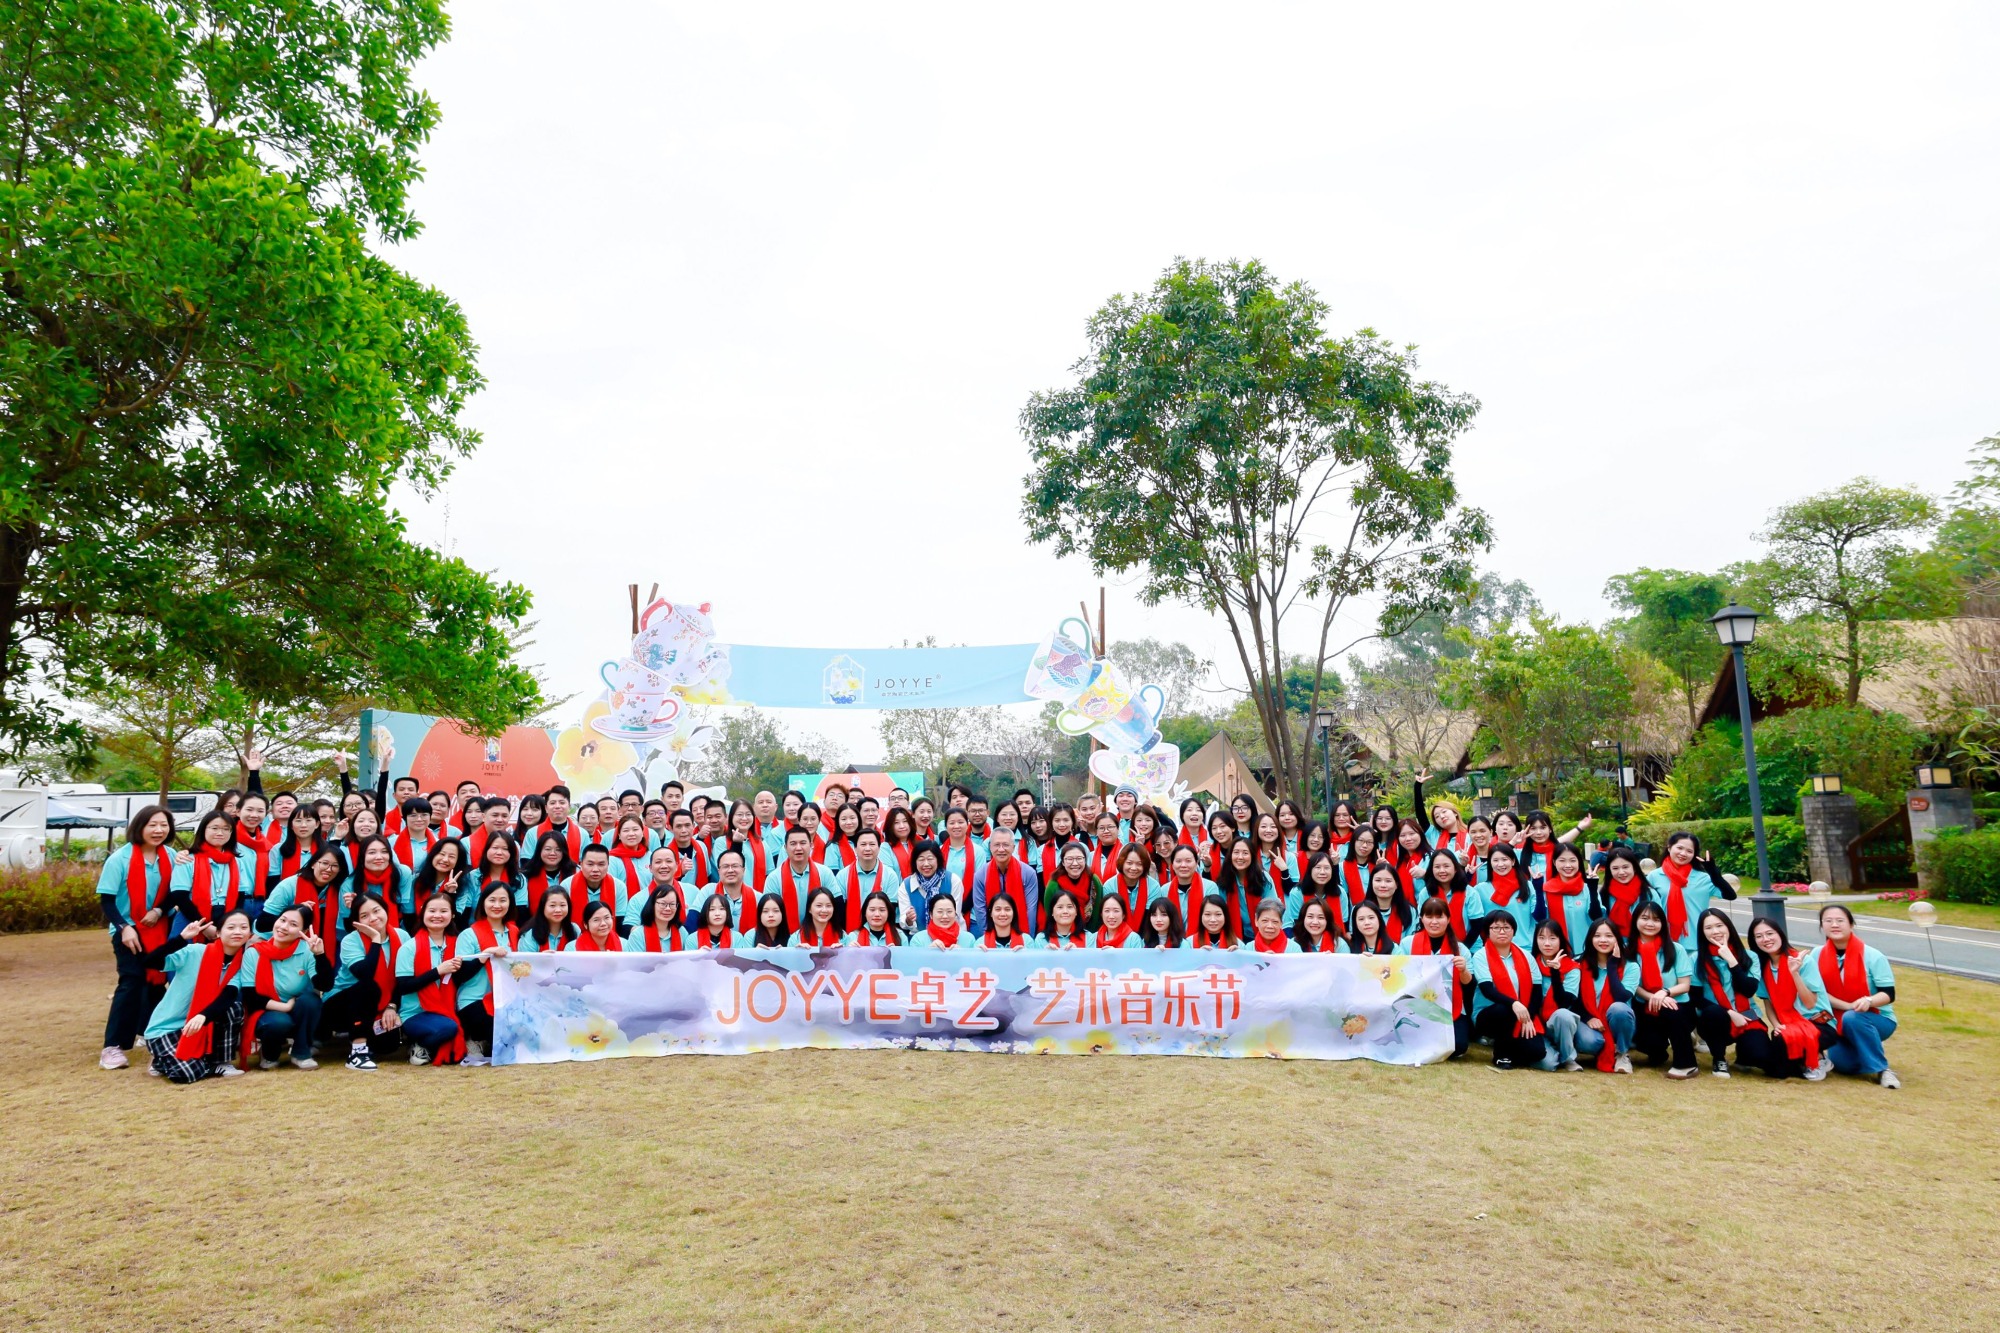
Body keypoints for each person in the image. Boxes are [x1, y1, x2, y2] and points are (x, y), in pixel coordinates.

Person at [98, 805, 177, 1070]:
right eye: (152, 824)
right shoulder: (119, 859)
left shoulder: (172, 857)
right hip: (128, 931)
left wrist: (159, 910)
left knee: (156, 985)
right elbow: (107, 901)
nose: (158, 830)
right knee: (131, 983)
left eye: (163, 825)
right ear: (139, 826)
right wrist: (124, 927)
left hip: (161, 929)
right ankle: (113, 1047)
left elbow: (176, 893)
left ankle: (150, 1034)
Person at [142, 910, 256, 1084]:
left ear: (250, 935)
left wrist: (202, 1016)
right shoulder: (195, 952)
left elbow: (227, 997)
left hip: (200, 1024)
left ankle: (219, 1062)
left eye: (243, 927)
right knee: (187, 1074)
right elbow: (150, 961)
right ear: (218, 933)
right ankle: (162, 1061)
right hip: (167, 1028)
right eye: (231, 927)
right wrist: (181, 939)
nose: (237, 932)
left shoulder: (240, 965)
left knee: (234, 1008)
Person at [1805, 903, 1900, 1088]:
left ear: (1851, 924)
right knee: (1845, 1066)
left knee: (1853, 1018)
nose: (1834, 925)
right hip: (1837, 1021)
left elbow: (1889, 994)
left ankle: (1883, 1070)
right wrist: (1848, 1006)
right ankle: (1865, 1045)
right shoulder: (1816, 954)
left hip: (1876, 1018)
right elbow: (1818, 993)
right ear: (1822, 926)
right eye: (1828, 921)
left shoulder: (1873, 956)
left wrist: (1868, 1000)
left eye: (1840, 920)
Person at [237, 906, 330, 1071]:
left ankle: (301, 1053)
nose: (284, 927)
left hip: (297, 1008)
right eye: (282, 920)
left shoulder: (307, 951)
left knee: (311, 1001)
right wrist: (285, 1007)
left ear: (303, 931)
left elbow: (324, 985)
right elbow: (250, 997)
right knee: (279, 1022)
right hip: (266, 1010)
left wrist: (320, 955)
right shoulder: (254, 952)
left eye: (293, 924)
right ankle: (269, 1054)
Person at [324, 893, 407, 1071]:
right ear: (357, 921)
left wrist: (392, 1006)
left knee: (387, 1045)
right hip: (340, 1005)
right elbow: (366, 974)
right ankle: (357, 1052)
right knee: (368, 987)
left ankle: (363, 1034)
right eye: (364, 915)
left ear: (386, 910)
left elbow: (404, 977)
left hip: (379, 1004)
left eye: (377, 911)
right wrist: (375, 940)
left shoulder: (402, 936)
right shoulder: (350, 941)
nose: (373, 918)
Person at [1747, 917, 1837, 1082]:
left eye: (1770, 933)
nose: (1765, 939)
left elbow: (1810, 1003)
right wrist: (1777, 1026)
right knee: (1770, 1064)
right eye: (1759, 936)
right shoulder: (1763, 967)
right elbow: (1768, 1004)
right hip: (1788, 1026)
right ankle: (1809, 1059)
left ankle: (1815, 1060)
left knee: (1781, 1048)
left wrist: (1794, 973)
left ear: (1780, 934)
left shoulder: (1803, 961)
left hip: (1818, 1023)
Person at [1470, 912, 1554, 1071]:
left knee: (1537, 1052)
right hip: (1489, 1015)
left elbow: (1536, 992)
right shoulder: (1481, 956)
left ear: (1514, 931)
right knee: (1505, 1009)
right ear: (1488, 931)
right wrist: (1514, 1003)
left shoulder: (1526, 956)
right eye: (1496, 928)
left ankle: (1512, 1049)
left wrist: (1528, 1017)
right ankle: (1501, 1055)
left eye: (1506, 927)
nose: (1502, 931)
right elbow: (1487, 990)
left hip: (1522, 1014)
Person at [395, 892, 469, 1064]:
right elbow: (404, 986)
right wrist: (437, 971)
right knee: (448, 1028)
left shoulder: (458, 945)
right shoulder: (409, 947)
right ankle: (419, 1044)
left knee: (454, 1051)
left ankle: (429, 1046)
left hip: (447, 1009)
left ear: (452, 915)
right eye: (432, 911)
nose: (437, 915)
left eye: (443, 911)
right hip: (415, 1012)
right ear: (423, 913)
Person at [1628, 902, 1700, 1079]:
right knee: (1647, 1042)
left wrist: (1665, 993)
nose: (1650, 923)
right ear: (1635, 921)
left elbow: (1685, 985)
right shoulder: (1628, 951)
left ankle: (1687, 1064)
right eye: (1645, 918)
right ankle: (1658, 1052)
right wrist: (1653, 997)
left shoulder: (1675, 949)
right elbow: (1633, 986)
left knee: (1673, 1011)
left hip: (1676, 1004)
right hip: (1645, 1005)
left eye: (1656, 919)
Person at [1691, 908, 1763, 1078]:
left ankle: (1744, 1055)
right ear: (1702, 932)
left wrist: (1731, 960)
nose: (1715, 931)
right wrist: (1730, 1012)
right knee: (1714, 1012)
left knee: (1760, 1056)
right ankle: (1719, 1059)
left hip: (1747, 1015)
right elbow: (1695, 998)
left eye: (1719, 925)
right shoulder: (1696, 959)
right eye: (1708, 928)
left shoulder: (1750, 956)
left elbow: (1748, 990)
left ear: (1728, 927)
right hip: (1714, 1019)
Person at [1398, 897, 1473, 1056]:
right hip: (1415, 1004)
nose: (1434, 922)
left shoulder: (1460, 949)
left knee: (1459, 1045)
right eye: (1429, 916)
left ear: (1448, 919)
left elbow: (1468, 982)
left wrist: (1463, 970)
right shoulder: (1407, 943)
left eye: (1439, 917)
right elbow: (1396, 970)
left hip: (1451, 1007)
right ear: (1421, 918)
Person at [455, 881, 520, 1065]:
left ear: (510, 903)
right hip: (474, 999)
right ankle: (473, 1040)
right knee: (501, 1037)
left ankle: (483, 1042)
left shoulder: (514, 932)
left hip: (505, 999)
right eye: (492, 900)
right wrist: (484, 956)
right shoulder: (469, 934)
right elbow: (460, 975)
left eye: (503, 900)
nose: (497, 905)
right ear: (483, 902)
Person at [170, 808, 259, 929]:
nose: (220, 833)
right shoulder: (187, 859)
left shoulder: (237, 862)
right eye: (214, 828)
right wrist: (204, 926)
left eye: (226, 829)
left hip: (226, 919)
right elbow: (180, 896)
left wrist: (227, 924)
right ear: (203, 830)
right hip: (190, 919)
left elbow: (240, 895)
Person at [1647, 832, 1735, 953]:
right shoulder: (1654, 876)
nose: (1683, 853)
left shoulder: (1703, 878)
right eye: (1679, 848)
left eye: (1689, 851)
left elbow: (1730, 895)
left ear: (1694, 854)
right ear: (1669, 847)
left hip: (1696, 943)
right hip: (1663, 942)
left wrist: (1714, 872)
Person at [1569, 919, 1637, 1073]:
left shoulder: (1630, 966)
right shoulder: (1577, 963)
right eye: (1597, 935)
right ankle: (1605, 1049)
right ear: (1590, 938)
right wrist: (1588, 1018)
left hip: (1618, 1021)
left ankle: (1622, 1053)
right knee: (1591, 1042)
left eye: (1609, 936)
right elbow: (1572, 999)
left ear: (1617, 939)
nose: (1603, 940)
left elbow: (1621, 997)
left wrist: (1612, 966)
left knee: (1619, 1008)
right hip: (1588, 1020)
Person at [966, 827, 1038, 938]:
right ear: (990, 847)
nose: (1001, 849)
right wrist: (987, 938)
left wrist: (1027, 939)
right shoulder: (980, 875)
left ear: (1013, 847)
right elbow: (980, 910)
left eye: (1005, 845)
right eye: (996, 845)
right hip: (991, 933)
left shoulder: (1028, 873)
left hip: (1021, 932)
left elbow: (1031, 910)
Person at [838, 828, 902, 934]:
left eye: (872, 844)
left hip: (881, 934)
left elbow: (890, 911)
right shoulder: (843, 875)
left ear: (879, 848)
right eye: (863, 844)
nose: (867, 848)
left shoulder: (890, 876)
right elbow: (840, 911)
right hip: (850, 934)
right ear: (855, 848)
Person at [1537, 843, 1592, 955]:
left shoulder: (1587, 888)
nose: (1568, 865)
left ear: (1579, 862)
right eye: (1562, 861)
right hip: (1556, 953)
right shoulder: (1546, 890)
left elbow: (1597, 916)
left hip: (1586, 950)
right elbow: (1540, 919)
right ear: (1554, 862)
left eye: (1572, 860)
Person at [1595, 847, 1653, 940]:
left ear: (1634, 867)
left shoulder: (1649, 893)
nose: (1621, 872)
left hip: (1644, 943)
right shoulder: (1604, 895)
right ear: (1609, 870)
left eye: (1625, 867)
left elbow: (1659, 921)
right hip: (1613, 944)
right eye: (1615, 868)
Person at [1482, 844, 1533, 941]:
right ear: (1490, 863)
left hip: (1523, 945)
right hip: (1493, 945)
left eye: (1504, 859)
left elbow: (1539, 916)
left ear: (1513, 861)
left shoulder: (1527, 886)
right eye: (1495, 860)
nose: (1500, 864)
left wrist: (1538, 886)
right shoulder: (1480, 889)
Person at [1357, 863, 1412, 945]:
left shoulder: (1409, 910)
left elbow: (1410, 944)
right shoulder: (1359, 910)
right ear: (1371, 883)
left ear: (1396, 884)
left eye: (1388, 881)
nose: (1383, 885)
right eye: (1378, 880)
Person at [628, 883, 689, 953]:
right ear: (652, 904)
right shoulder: (638, 935)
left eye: (672, 904)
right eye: (663, 904)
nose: (668, 908)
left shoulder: (682, 932)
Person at [518, 887, 579, 953]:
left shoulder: (575, 929)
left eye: (562, 905)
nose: (558, 910)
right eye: (552, 905)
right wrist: (540, 957)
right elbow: (525, 959)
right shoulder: (530, 935)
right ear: (543, 907)